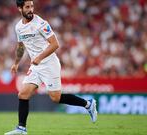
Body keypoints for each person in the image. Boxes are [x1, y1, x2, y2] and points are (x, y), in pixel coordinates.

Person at [5, 0, 97, 134]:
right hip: (36, 66)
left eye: (32, 6)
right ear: (20, 9)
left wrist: (39, 58)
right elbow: (20, 46)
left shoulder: (41, 24)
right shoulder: (18, 27)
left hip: (49, 64)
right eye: (27, 7)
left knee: (55, 98)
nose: (31, 9)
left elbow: (55, 44)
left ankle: (88, 104)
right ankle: (21, 129)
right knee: (23, 94)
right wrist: (16, 63)